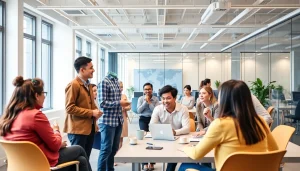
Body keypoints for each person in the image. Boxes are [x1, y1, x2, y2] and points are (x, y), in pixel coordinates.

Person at [178, 80, 279, 171]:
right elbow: (275, 151)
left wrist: (185, 148)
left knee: (184, 166)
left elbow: (196, 154)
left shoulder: (221, 124)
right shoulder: (260, 121)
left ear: (224, 99)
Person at [0, 76, 92, 171]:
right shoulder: (35, 115)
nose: (44, 96)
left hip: (20, 165)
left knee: (81, 160)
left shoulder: (8, 117)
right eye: (43, 93)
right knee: (79, 149)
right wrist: (56, 130)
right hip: (41, 164)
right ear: (36, 96)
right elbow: (55, 145)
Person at [64, 56, 103, 159]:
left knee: (85, 159)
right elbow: (69, 108)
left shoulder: (88, 85)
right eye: (91, 68)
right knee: (79, 160)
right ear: (82, 70)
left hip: (89, 129)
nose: (93, 70)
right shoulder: (73, 85)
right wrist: (91, 113)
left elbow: (90, 104)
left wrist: (96, 113)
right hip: (78, 131)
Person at [150, 85, 190, 171]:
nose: (165, 101)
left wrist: (174, 132)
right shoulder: (158, 109)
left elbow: (187, 128)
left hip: (179, 140)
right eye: (163, 98)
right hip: (163, 140)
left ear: (175, 98)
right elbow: (152, 126)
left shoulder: (183, 109)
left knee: (173, 156)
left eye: (168, 98)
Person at [97, 72, 131, 171]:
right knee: (106, 149)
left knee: (114, 149)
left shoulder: (116, 82)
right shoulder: (104, 82)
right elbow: (102, 103)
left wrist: (122, 104)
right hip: (107, 121)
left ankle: (110, 169)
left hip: (118, 120)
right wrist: (119, 103)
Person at [137, 82, 159, 170]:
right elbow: (139, 110)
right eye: (146, 89)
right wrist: (145, 102)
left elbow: (156, 111)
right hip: (143, 119)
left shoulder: (156, 99)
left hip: (153, 119)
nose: (147, 91)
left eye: (149, 89)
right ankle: (145, 163)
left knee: (153, 140)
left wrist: (149, 102)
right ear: (143, 90)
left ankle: (152, 162)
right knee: (144, 140)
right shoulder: (140, 98)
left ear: (152, 90)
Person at [116, 81, 131, 166]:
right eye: (119, 87)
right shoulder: (113, 96)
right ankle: (114, 158)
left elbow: (129, 107)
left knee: (121, 139)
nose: (120, 88)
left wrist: (125, 108)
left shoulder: (124, 96)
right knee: (115, 140)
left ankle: (120, 156)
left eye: (122, 87)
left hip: (123, 118)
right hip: (115, 119)